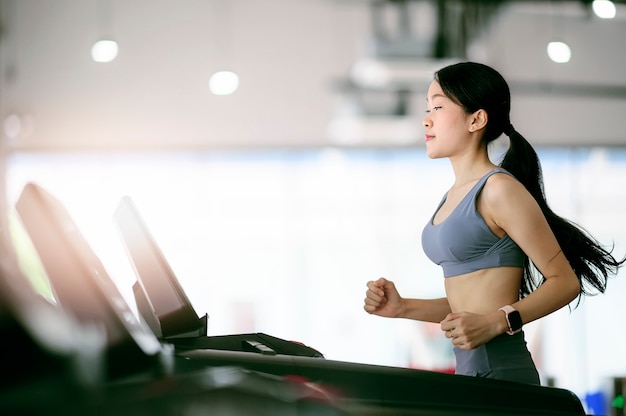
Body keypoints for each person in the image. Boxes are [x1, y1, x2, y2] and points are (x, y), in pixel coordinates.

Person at [363, 61, 625, 385]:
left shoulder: (499, 189)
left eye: (439, 107)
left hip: (502, 373)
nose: (426, 118)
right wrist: (402, 307)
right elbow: (471, 306)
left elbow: (565, 282)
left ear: (477, 119)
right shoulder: (452, 197)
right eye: (428, 107)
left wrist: (498, 322)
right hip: (471, 374)